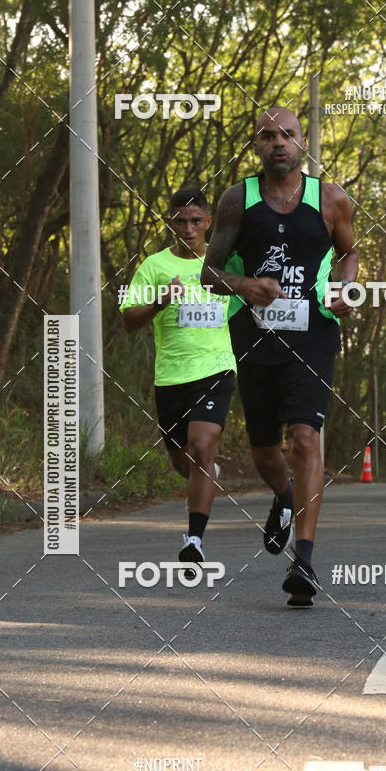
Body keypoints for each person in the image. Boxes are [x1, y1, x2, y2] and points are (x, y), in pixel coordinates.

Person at [202, 106, 357, 608]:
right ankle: (285, 495)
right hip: (254, 336)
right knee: (265, 451)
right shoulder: (236, 200)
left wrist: (345, 287)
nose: (279, 143)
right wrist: (245, 284)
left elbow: (349, 254)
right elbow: (210, 272)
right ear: (256, 145)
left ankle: (304, 560)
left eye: (287, 134)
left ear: (303, 141)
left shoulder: (331, 199)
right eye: (268, 136)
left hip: (314, 334)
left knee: (306, 438)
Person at [120, 187, 236, 568]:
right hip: (171, 377)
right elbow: (129, 319)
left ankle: (195, 540)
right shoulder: (154, 267)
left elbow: (255, 300)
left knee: (202, 446)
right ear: (171, 224)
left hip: (216, 369)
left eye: (196, 221)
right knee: (182, 461)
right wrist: (160, 301)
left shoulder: (226, 264)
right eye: (180, 221)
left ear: (208, 223)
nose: (188, 228)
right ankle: (208, 474)